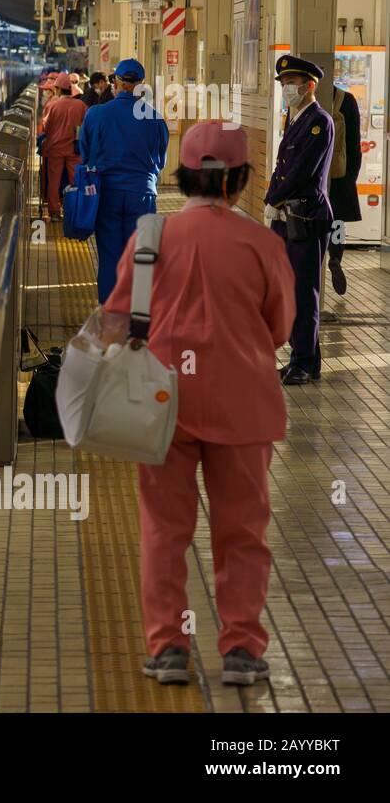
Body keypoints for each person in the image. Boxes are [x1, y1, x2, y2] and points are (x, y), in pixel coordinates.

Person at [105, 121, 295, 688]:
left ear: (183, 176)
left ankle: (167, 649)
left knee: (165, 530)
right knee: (243, 532)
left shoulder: (149, 238)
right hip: (244, 407)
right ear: (239, 180)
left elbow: (117, 318)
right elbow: (281, 327)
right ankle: (241, 649)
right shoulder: (263, 243)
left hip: (161, 405)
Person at [265, 54, 334, 385]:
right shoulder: (294, 118)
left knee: (304, 292)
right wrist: (272, 200)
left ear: (310, 86)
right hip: (287, 215)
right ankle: (302, 358)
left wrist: (272, 199)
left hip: (305, 216)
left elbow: (302, 169)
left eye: (291, 83)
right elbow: (281, 168)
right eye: (283, 84)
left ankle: (304, 362)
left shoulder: (319, 121)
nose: (286, 89)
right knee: (289, 290)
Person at [79, 57, 169, 302]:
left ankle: (110, 317)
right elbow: (161, 163)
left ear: (115, 83)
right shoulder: (155, 119)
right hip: (143, 196)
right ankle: (137, 319)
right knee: (140, 258)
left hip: (106, 195)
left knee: (109, 257)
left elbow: (85, 155)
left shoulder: (96, 115)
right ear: (141, 85)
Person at [327, 86, 363, 297]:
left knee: (315, 223)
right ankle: (335, 257)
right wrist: (350, 178)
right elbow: (354, 144)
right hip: (340, 176)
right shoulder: (347, 100)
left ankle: (317, 258)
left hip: (314, 177)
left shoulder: (305, 99)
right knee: (338, 222)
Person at [41, 72, 86, 220]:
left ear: (59, 89)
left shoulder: (52, 105)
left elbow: (46, 128)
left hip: (55, 149)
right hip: (75, 149)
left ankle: (54, 213)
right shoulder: (80, 105)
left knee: (54, 181)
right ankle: (75, 210)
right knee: (76, 180)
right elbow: (86, 126)